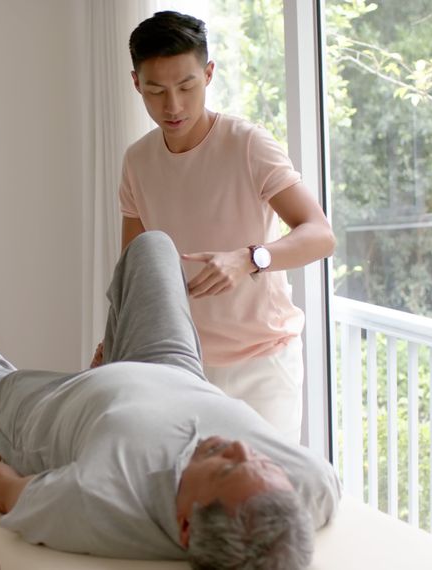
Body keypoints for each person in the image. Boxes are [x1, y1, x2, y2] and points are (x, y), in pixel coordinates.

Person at [0, 231, 340, 569]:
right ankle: (110, 362)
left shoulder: (103, 501)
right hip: (175, 369)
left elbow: (6, 494)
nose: (238, 447)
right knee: (152, 244)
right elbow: (321, 486)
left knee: (4, 387)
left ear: (185, 526)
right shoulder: (307, 485)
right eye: (259, 460)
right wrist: (240, 470)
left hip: (61, 409)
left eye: (224, 470)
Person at [110, 11, 336, 443]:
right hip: (181, 365)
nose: (172, 105)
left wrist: (250, 258)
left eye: (186, 86)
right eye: (156, 90)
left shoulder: (247, 144)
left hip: (262, 364)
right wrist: (117, 345)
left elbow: (320, 234)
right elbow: (134, 271)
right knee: (190, 502)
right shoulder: (137, 161)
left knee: (265, 499)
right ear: (137, 83)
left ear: (208, 74)